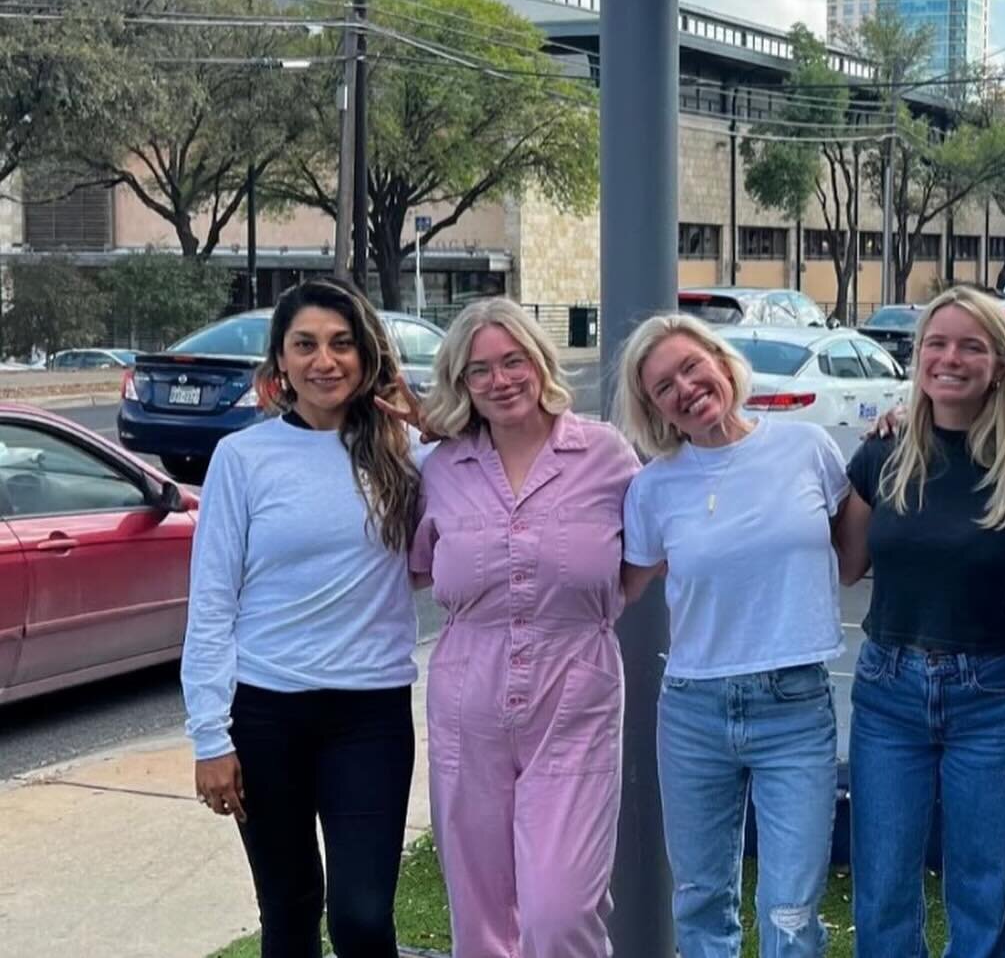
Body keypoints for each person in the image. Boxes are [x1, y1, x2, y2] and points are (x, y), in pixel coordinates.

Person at [183, 278, 423, 958]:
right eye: (306, 344)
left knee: (363, 915)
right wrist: (210, 735)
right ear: (280, 362)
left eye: (343, 343)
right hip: (264, 716)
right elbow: (211, 604)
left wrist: (432, 424)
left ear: (367, 354)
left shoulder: (406, 454)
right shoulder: (243, 457)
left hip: (370, 714)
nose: (326, 359)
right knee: (288, 910)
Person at [408, 297, 639, 958]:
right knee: (480, 919)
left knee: (559, 913)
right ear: (461, 384)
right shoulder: (442, 468)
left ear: (541, 362)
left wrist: (598, 606)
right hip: (466, 701)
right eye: (479, 370)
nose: (500, 379)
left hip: (576, 699)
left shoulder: (607, 456)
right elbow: (421, 565)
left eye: (513, 360)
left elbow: (647, 550)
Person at [615, 313, 849, 958]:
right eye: (663, 387)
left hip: (795, 705)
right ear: (654, 408)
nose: (685, 388)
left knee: (792, 912)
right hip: (694, 710)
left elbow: (854, 555)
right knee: (700, 899)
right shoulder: (653, 488)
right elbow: (617, 589)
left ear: (721, 361)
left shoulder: (808, 449)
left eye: (691, 367)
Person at [835, 286, 1005, 958]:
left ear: (1001, 364)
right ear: (918, 354)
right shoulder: (882, 454)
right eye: (936, 343)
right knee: (884, 891)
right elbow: (846, 564)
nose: (950, 358)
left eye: (970, 346)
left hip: (991, 694)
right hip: (887, 689)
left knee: (985, 894)